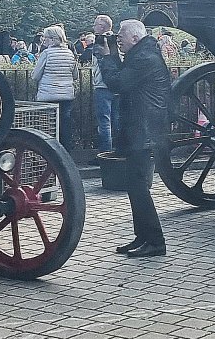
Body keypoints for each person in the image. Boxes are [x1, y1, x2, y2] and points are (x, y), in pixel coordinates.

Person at [95, 19, 169, 258]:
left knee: (138, 186)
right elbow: (124, 78)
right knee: (133, 185)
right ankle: (142, 236)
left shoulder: (145, 58)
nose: (118, 39)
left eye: (122, 35)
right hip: (139, 129)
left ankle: (156, 241)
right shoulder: (141, 55)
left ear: (135, 38)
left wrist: (107, 58)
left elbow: (118, 83)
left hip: (143, 131)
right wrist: (112, 56)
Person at [77, 14, 116, 160]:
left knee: (104, 122)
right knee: (116, 120)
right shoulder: (116, 40)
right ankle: (117, 152)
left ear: (102, 27)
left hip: (103, 85)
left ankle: (105, 154)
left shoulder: (100, 41)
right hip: (116, 85)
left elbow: (101, 63)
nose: (93, 27)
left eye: (95, 24)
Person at [31, 25, 77, 149]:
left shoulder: (46, 53)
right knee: (65, 125)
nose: (43, 40)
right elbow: (75, 75)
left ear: (52, 39)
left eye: (45, 37)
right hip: (66, 95)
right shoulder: (70, 53)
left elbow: (35, 76)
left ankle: (50, 151)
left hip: (48, 95)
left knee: (48, 126)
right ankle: (66, 151)